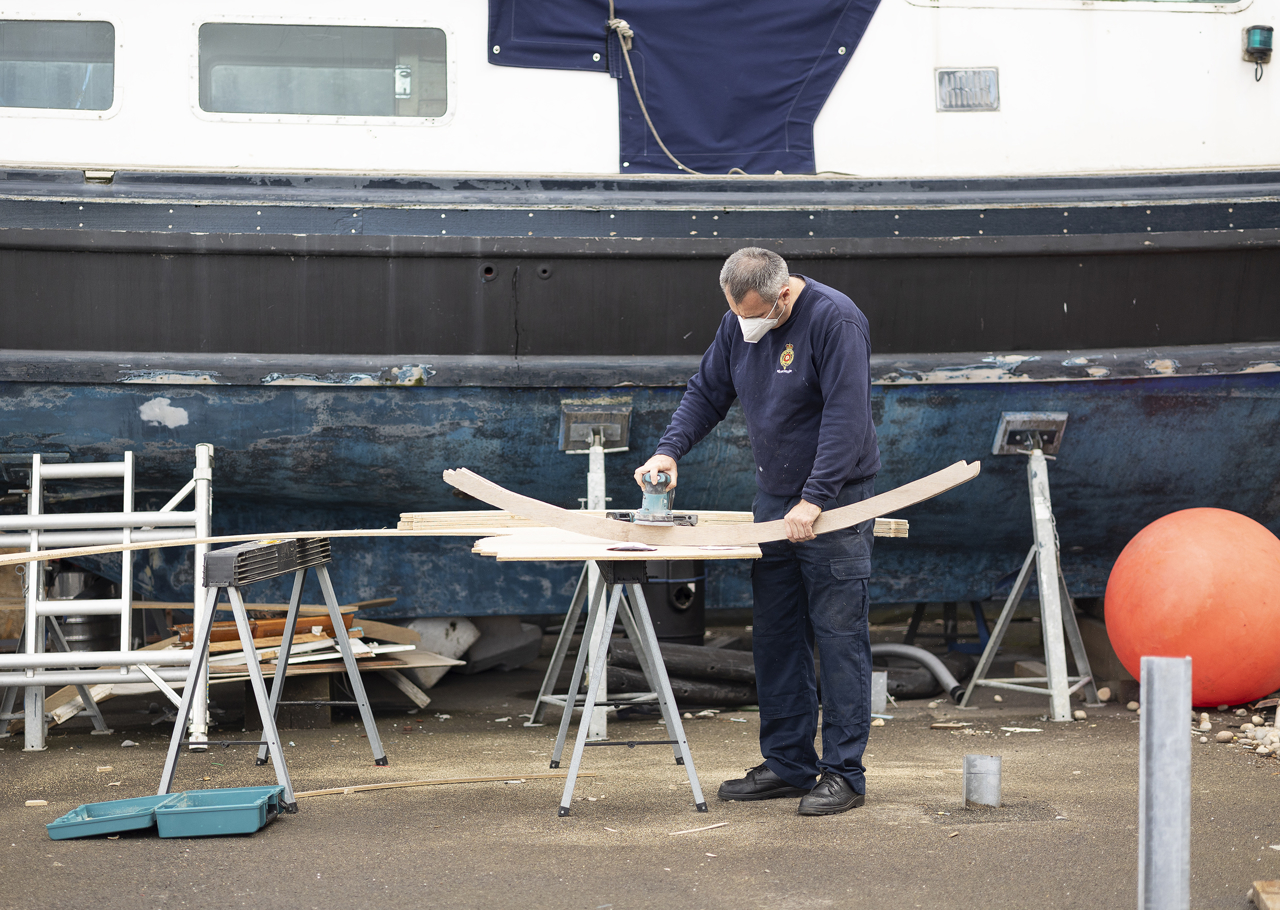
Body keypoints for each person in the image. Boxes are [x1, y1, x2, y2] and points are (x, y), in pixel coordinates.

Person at [634, 247, 880, 816]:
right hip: (774, 499)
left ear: (783, 295)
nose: (745, 326)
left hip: (835, 499)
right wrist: (669, 450)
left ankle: (844, 774)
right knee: (776, 634)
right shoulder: (738, 323)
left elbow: (847, 416)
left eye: (755, 315)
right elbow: (707, 392)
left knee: (839, 636)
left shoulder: (836, 321)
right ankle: (789, 763)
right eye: (736, 313)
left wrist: (815, 498)